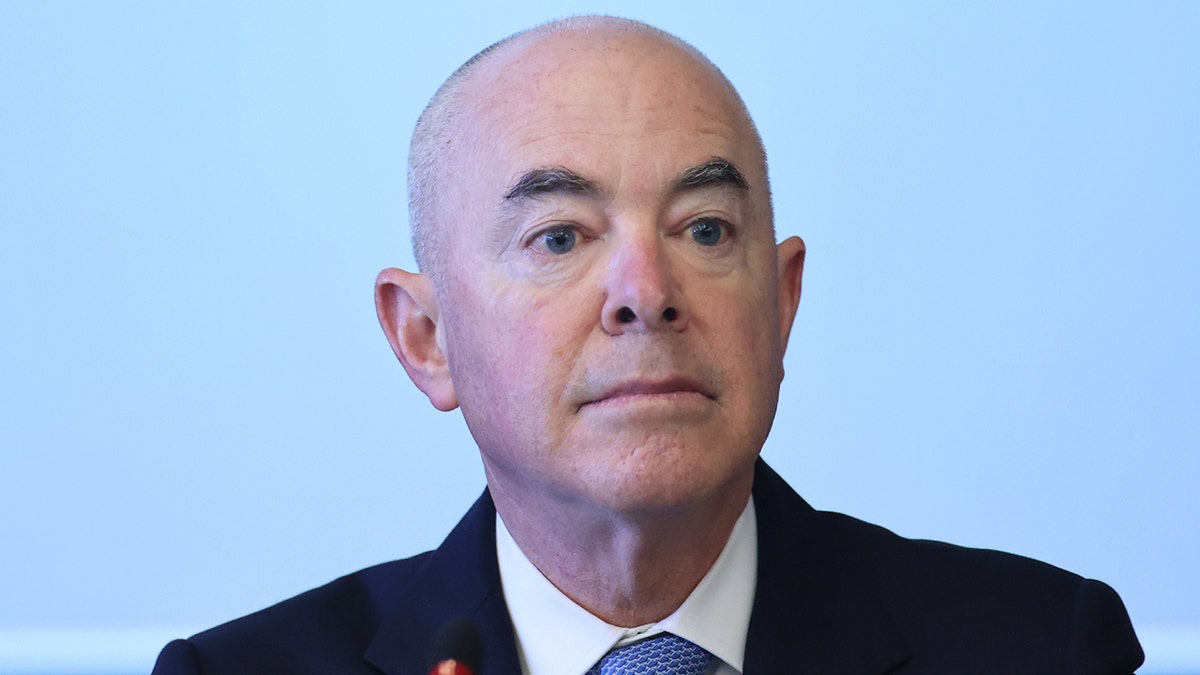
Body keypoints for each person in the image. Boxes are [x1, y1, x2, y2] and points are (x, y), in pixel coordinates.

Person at [152, 15, 1143, 675]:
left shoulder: (1039, 648)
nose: (647, 294)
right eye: (560, 238)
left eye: (704, 229)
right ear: (426, 337)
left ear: (783, 300)